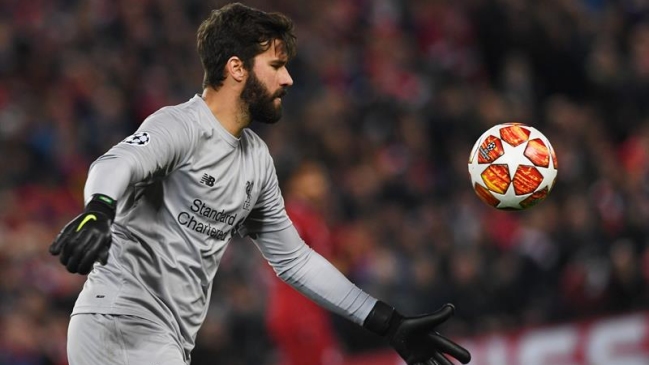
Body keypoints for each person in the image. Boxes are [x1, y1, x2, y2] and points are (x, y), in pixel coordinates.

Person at [48, 3, 471, 365]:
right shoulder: (181, 125)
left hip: (165, 338)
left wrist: (388, 323)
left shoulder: (256, 160)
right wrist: (99, 209)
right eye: (275, 66)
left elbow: (296, 262)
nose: (287, 79)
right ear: (237, 68)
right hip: (120, 323)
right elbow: (116, 162)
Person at [265, 161, 342, 365]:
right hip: (298, 309)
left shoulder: (311, 216)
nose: (321, 182)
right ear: (294, 182)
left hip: (307, 307)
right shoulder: (291, 216)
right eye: (311, 176)